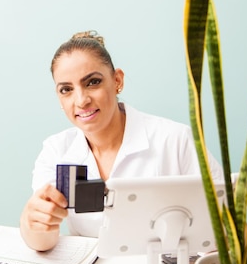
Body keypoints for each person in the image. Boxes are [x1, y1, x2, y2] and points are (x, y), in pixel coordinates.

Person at [19, 30, 223, 251]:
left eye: (93, 82)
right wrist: (33, 224)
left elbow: (225, 226)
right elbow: (44, 241)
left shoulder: (176, 140)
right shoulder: (56, 151)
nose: (81, 100)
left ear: (117, 81)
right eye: (66, 89)